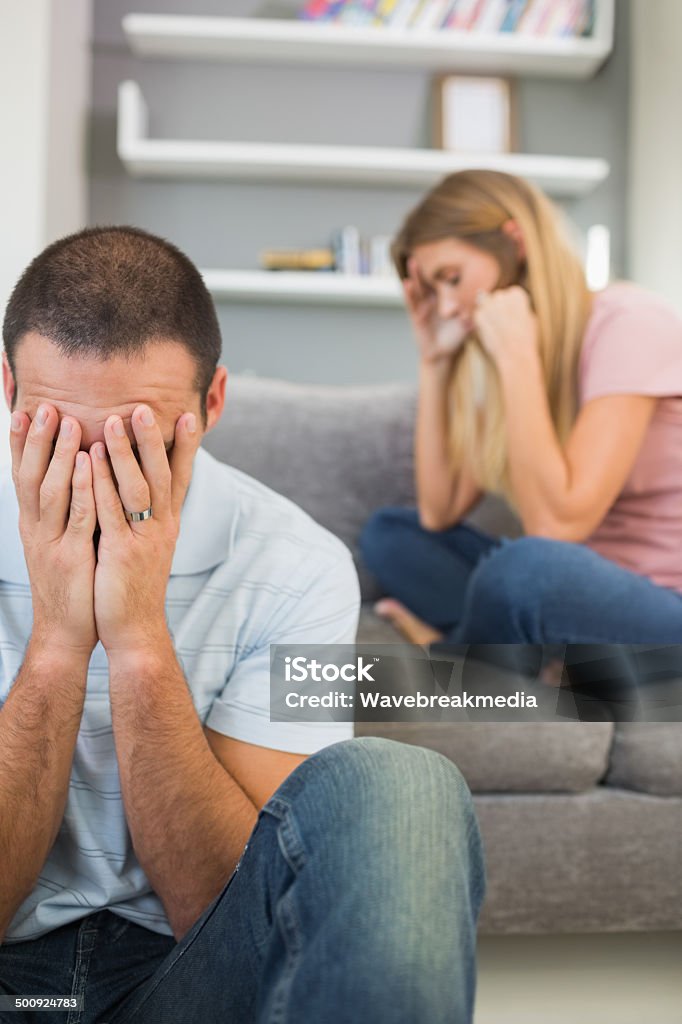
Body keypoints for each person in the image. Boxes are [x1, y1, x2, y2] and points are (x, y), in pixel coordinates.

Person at [0, 227, 484, 1024]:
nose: (98, 487)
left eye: (137, 447)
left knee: (404, 784)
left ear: (211, 404)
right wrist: (57, 644)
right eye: (58, 442)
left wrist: (138, 641)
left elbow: (217, 905)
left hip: (187, 979)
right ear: (8, 392)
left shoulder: (298, 564)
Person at [360, 169, 682, 651]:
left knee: (527, 569)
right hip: (576, 600)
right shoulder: (512, 356)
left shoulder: (629, 323)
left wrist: (516, 358)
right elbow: (438, 511)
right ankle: (516, 654)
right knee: (391, 534)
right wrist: (435, 359)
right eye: (433, 293)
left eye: (452, 279)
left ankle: (453, 656)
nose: (447, 307)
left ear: (516, 242)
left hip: (661, 604)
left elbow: (557, 529)